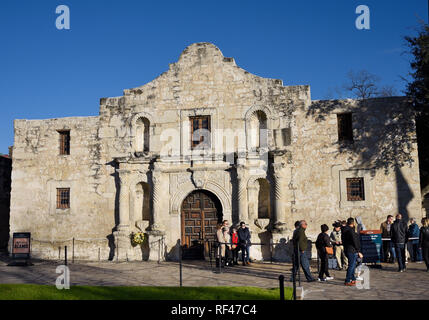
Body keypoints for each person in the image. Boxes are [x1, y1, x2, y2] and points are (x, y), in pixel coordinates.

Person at [342, 217, 363, 286]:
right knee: (351, 265)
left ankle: (353, 279)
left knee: (352, 265)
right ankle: (347, 280)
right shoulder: (350, 231)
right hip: (352, 250)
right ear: (353, 223)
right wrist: (358, 251)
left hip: (347, 249)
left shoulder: (344, 230)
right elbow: (354, 241)